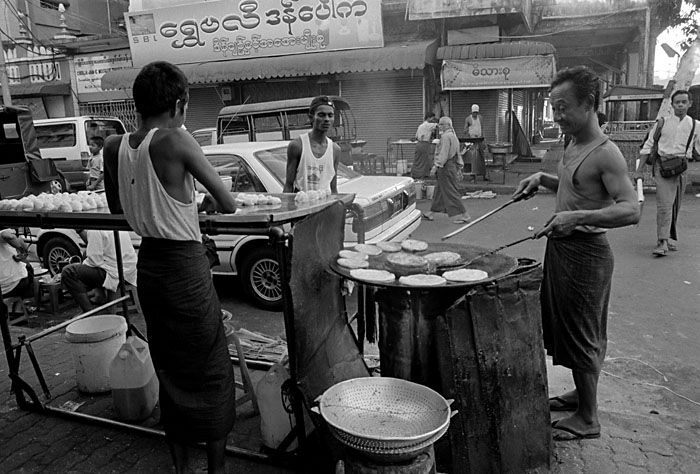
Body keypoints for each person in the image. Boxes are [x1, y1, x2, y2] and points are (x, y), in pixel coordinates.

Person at [102, 61, 237, 474]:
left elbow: (117, 208)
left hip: (151, 269)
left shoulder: (113, 146)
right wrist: (202, 204)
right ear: (179, 104)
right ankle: (215, 469)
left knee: (171, 368)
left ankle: (182, 468)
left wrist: (173, 205)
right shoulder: (176, 140)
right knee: (210, 367)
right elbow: (227, 202)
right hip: (184, 269)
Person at [514, 65, 639, 441]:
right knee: (567, 328)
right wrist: (543, 179)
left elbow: (631, 209)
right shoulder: (572, 144)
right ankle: (580, 395)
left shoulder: (607, 153)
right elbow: (576, 186)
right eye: (554, 108)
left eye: (564, 107)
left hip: (587, 253)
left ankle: (589, 418)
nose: (558, 116)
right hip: (563, 248)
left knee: (583, 333)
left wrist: (577, 218)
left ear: (589, 103)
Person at [633, 89, 699, 256]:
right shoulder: (662, 123)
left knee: (675, 204)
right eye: (677, 102)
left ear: (690, 104)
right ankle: (662, 241)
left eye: (684, 102)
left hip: (681, 168)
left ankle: (667, 237)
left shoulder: (695, 125)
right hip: (662, 167)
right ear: (672, 105)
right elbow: (647, 146)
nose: (681, 105)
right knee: (664, 204)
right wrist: (639, 171)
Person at [61, 230, 137, 313]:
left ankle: (88, 312)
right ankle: (99, 295)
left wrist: (82, 265)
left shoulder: (94, 230)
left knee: (68, 272)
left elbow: (95, 261)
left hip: (115, 272)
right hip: (129, 268)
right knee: (86, 254)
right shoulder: (111, 220)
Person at [284, 95, 340, 193]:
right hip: (301, 203)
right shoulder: (297, 146)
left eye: (330, 115)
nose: (327, 119)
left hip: (326, 205)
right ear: (311, 117)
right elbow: (289, 185)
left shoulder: (335, 150)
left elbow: (333, 188)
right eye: (321, 115)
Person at [422, 116, 471, 224]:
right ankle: (431, 212)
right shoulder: (453, 136)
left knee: (450, 191)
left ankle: (465, 214)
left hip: (445, 167)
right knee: (439, 191)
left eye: (441, 124)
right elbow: (457, 153)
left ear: (448, 125)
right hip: (451, 166)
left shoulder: (445, 137)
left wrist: (436, 166)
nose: (439, 126)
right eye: (439, 124)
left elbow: (443, 154)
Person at [0, 228, 33, 299]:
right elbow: (8, 236)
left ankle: (19, 304)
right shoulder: (4, 232)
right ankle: (24, 302)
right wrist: (23, 250)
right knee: (28, 267)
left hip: (4, 290)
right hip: (13, 286)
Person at [464, 104, 489, 181]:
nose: (475, 114)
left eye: (476, 113)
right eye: (474, 113)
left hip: (480, 139)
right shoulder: (468, 119)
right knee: (473, 158)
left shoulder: (480, 118)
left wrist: (484, 140)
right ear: (471, 112)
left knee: (481, 157)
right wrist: (468, 133)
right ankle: (473, 176)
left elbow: (482, 128)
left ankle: (483, 175)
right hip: (472, 140)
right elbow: (464, 130)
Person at [411, 112, 438, 180]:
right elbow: (439, 125)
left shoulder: (420, 126)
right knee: (424, 160)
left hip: (419, 144)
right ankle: (421, 175)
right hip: (424, 144)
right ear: (428, 118)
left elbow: (416, 136)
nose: (433, 120)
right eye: (432, 118)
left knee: (418, 160)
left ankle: (417, 174)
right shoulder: (428, 125)